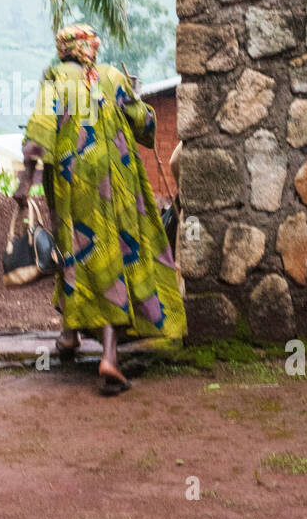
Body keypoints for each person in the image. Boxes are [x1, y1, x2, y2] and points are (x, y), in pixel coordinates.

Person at [14, 23, 186, 397]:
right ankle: (85, 343)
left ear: (64, 51)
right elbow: (144, 125)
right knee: (114, 254)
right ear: (92, 48)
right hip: (118, 184)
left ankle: (91, 347)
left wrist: (24, 184)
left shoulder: (57, 78)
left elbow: (39, 135)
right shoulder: (111, 77)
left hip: (73, 183)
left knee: (80, 253)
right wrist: (131, 96)